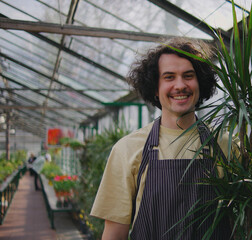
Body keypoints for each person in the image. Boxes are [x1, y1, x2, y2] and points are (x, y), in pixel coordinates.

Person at [90, 38, 232, 240]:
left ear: (200, 83)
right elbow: (114, 234)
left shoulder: (226, 145)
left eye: (188, 76)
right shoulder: (128, 150)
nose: (180, 85)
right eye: (169, 77)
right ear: (155, 89)